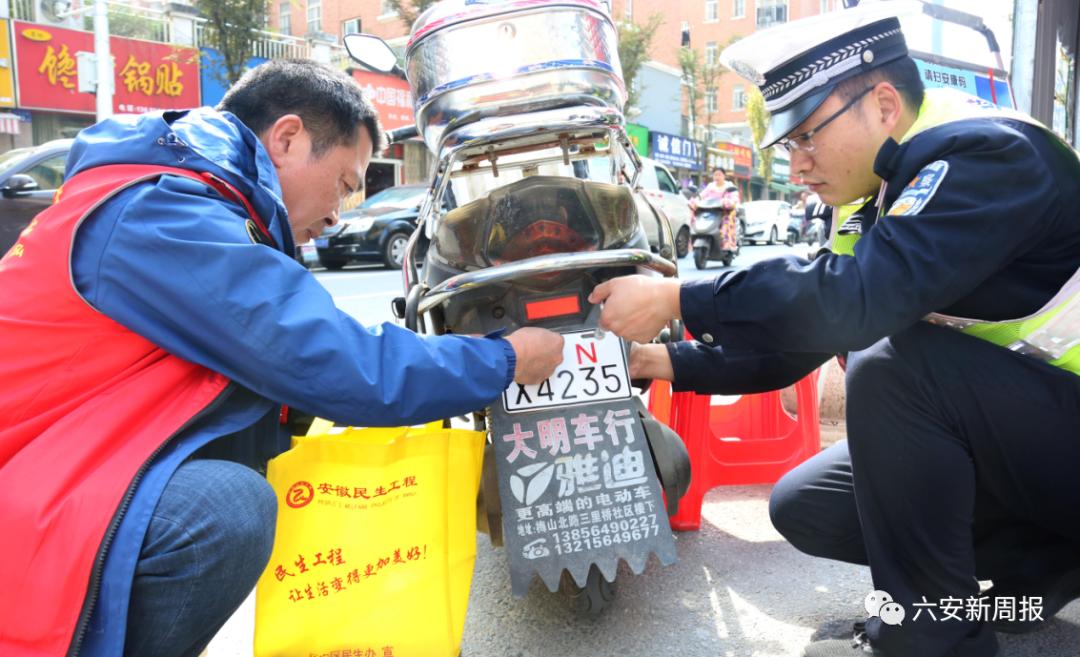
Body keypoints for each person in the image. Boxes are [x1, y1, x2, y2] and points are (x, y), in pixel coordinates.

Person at [0, 59, 565, 657]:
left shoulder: (187, 198)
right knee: (225, 512)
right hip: (27, 480)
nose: (337, 214)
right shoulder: (164, 211)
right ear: (288, 139)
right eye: (346, 184)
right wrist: (500, 361)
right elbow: (334, 360)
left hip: (56, 461)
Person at [588, 6, 1080, 657]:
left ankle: (932, 640)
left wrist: (679, 295)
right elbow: (797, 341)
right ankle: (1040, 564)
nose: (796, 166)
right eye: (786, 147)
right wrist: (654, 359)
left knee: (894, 367)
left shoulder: (988, 156)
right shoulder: (878, 198)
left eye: (806, 138)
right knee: (808, 503)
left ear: (881, 104)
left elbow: (858, 299)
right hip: (1033, 447)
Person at [692, 166, 741, 252]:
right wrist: (695, 201)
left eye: (719, 175)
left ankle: (727, 244)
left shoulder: (729, 185)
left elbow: (734, 197)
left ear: (724, 176)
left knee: (726, 221)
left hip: (725, 211)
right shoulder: (711, 186)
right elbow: (702, 195)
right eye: (715, 175)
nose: (717, 177)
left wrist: (729, 202)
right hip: (711, 211)